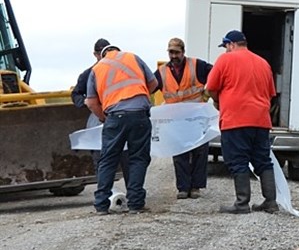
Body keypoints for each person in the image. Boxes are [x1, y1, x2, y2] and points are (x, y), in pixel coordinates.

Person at [206, 30, 278, 214]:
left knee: (237, 160)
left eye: (225, 47)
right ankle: (270, 201)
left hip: (235, 120)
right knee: (263, 160)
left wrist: (218, 101)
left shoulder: (225, 60)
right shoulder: (263, 63)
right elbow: (271, 93)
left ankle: (242, 203)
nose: (225, 51)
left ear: (231, 44)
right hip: (261, 120)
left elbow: (210, 88)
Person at [85, 44, 158, 215]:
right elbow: (153, 83)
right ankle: (135, 204)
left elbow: (91, 102)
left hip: (114, 117)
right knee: (138, 158)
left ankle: (101, 205)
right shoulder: (133, 57)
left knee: (108, 160)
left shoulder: (97, 68)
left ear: (102, 55)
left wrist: (103, 117)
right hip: (139, 114)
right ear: (117, 50)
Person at [154, 38, 213, 200]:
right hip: (176, 120)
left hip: (196, 118)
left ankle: (196, 187)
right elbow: (149, 87)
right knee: (179, 152)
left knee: (199, 152)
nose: (173, 56)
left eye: (176, 52)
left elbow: (216, 75)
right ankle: (183, 187)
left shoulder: (198, 66)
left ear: (183, 52)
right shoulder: (162, 72)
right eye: (170, 52)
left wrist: (207, 95)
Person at [71, 38, 130, 186]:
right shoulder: (89, 74)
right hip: (100, 117)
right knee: (101, 157)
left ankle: (131, 191)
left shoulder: (122, 71)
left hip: (120, 115)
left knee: (126, 156)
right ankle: (105, 192)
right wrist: (84, 102)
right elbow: (76, 94)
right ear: (96, 55)